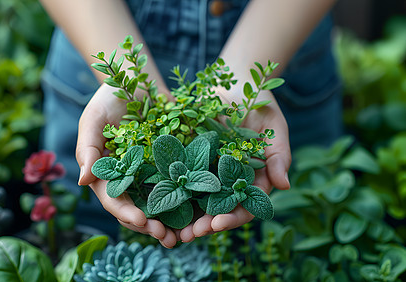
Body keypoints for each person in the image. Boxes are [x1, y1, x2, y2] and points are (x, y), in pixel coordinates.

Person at [39, 0, 342, 248]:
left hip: (283, 33)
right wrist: (126, 80)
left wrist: (244, 74)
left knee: (283, 248)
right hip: (95, 30)